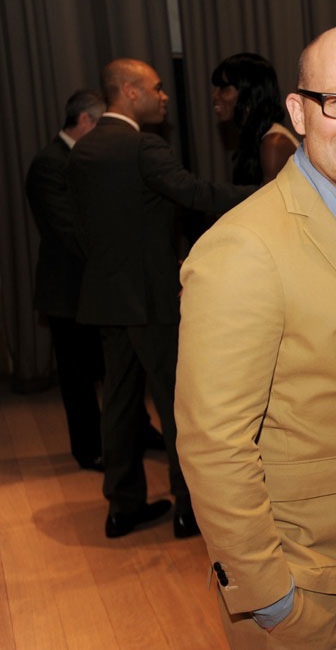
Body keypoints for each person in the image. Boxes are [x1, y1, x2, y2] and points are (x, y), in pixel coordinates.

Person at [175, 24, 336, 649]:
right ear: (298, 110)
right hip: (298, 578)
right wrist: (269, 595)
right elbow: (214, 444)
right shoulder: (244, 248)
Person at [66, 59, 253, 540]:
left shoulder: (83, 152)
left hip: (107, 298)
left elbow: (83, 230)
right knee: (178, 405)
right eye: (155, 88)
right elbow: (198, 194)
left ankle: (121, 507)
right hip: (150, 299)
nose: (164, 96)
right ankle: (189, 509)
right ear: (129, 92)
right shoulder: (142, 147)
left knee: (121, 404)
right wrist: (271, 192)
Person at [25, 89, 106, 471]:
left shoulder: (83, 158)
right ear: (86, 121)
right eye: (101, 123)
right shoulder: (49, 163)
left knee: (112, 368)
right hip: (67, 291)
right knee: (77, 379)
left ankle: (133, 434)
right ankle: (89, 450)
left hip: (92, 287)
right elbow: (67, 230)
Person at [210, 52, 298, 185]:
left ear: (250, 93)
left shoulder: (274, 144)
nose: (214, 95)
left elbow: (269, 205)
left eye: (224, 88)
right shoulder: (256, 138)